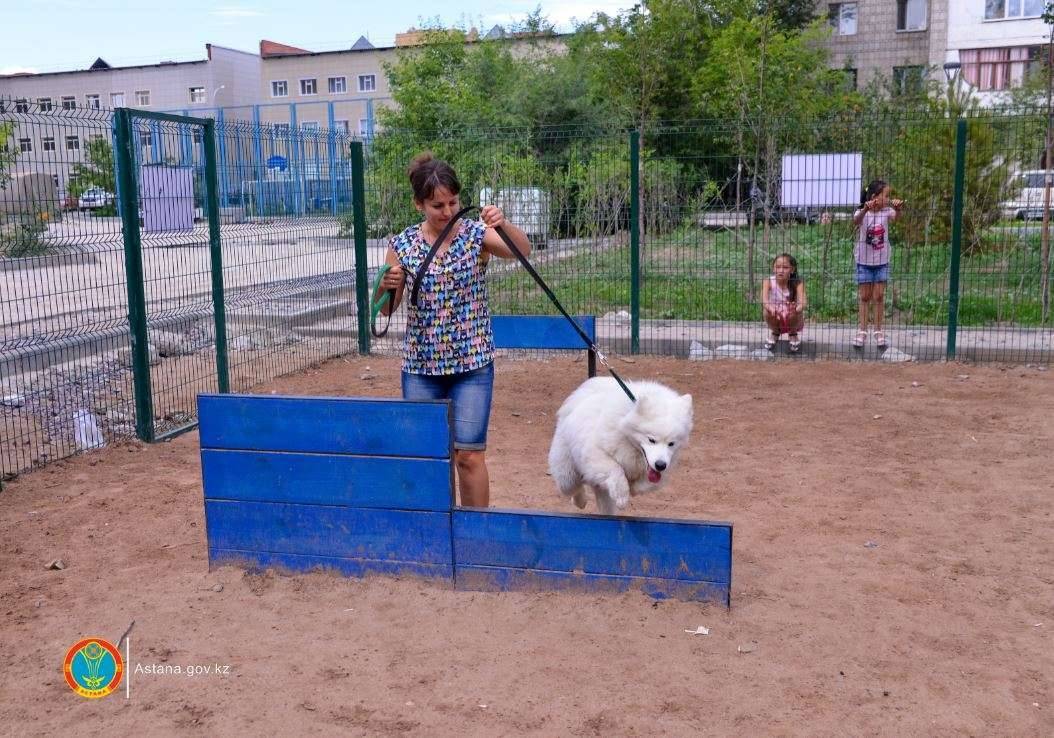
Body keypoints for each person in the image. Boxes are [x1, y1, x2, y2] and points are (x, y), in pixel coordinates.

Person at [374, 152, 532, 507]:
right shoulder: (401, 246)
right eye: (437, 205)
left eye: (453, 202)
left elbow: (523, 251)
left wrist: (502, 224)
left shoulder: (477, 235)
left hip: (472, 365)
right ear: (419, 204)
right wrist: (388, 285)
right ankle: (434, 536)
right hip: (422, 368)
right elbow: (386, 310)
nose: (447, 211)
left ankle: (476, 536)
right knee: (426, 457)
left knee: (469, 455)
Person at [852, 179, 903, 348]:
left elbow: (897, 218)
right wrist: (866, 208)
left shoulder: (887, 211)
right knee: (865, 297)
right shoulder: (862, 212)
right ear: (874, 197)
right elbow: (856, 221)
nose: (888, 198)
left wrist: (898, 208)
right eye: (886, 195)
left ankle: (879, 330)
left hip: (882, 261)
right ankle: (862, 330)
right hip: (863, 261)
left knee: (879, 296)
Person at [762, 253, 806, 352]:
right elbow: (764, 301)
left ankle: (793, 333)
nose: (781, 270)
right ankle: (775, 332)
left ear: (792, 269)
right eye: (777, 267)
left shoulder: (798, 283)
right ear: (773, 268)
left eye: (785, 267)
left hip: (793, 317)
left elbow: (803, 302)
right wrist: (770, 308)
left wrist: (795, 309)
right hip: (775, 315)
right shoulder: (768, 281)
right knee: (766, 310)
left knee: (795, 311)